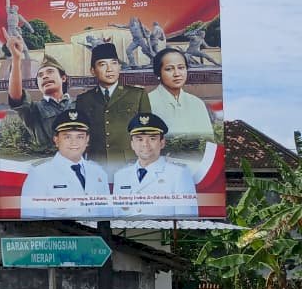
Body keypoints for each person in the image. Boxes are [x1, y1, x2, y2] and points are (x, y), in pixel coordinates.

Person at [74, 41, 151, 174]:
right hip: (96, 166)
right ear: (93, 71)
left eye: (114, 63)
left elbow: (147, 134)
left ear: (119, 67)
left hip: (130, 165)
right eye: (103, 64)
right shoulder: (84, 100)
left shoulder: (137, 95)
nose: (110, 69)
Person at [19, 109, 111, 218]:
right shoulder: (39, 175)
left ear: (87, 140)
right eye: (67, 137)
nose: (74, 142)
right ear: (56, 140)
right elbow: (31, 223)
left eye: (80, 137)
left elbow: (107, 217)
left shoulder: (99, 173)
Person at [111, 113, 199, 218]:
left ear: (162, 143)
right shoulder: (120, 175)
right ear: (132, 144)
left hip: (164, 232)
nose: (145, 144)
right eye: (139, 139)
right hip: (125, 233)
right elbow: (116, 215)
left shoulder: (178, 174)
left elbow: (187, 217)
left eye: (152, 139)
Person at [6, 33, 72, 152]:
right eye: (40, 75)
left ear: (63, 78)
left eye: (50, 72)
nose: (45, 76)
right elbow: (16, 98)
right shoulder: (34, 110)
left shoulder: (81, 104)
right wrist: (16, 59)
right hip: (48, 164)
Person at [147, 47, 215, 142]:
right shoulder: (148, 103)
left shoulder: (197, 103)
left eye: (181, 67)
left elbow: (208, 141)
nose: (177, 74)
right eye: (169, 69)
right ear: (158, 72)